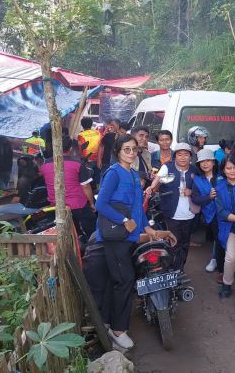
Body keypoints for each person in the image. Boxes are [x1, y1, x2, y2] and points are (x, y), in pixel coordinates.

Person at [95, 134, 177, 349]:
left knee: (119, 280)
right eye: (126, 149)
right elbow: (101, 204)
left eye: (134, 149)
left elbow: (137, 210)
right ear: (117, 152)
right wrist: (123, 220)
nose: (131, 153)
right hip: (115, 237)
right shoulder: (113, 173)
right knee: (125, 280)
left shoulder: (133, 174)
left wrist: (149, 229)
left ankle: (107, 321)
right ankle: (118, 330)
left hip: (128, 236)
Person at [147, 143, 198, 272]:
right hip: (171, 212)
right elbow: (157, 181)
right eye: (179, 154)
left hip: (189, 213)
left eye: (186, 155)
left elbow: (201, 188)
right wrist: (151, 188)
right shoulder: (167, 167)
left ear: (190, 157)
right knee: (174, 242)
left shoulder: (194, 170)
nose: (182, 157)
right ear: (175, 156)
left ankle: (180, 268)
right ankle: (172, 268)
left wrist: (191, 192)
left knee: (185, 243)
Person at [41, 136, 96, 237]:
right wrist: (92, 203)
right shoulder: (77, 163)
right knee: (91, 227)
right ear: (70, 149)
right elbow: (86, 187)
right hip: (77, 205)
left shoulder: (44, 165)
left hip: (56, 205)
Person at [215, 154, 235, 298]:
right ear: (223, 170)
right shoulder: (219, 187)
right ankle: (226, 283)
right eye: (228, 168)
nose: (232, 171)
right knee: (231, 257)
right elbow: (221, 211)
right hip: (229, 225)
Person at [191, 149, 221, 273]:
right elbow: (196, 199)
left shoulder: (222, 176)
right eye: (202, 161)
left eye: (208, 160)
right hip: (211, 215)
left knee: (227, 238)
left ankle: (227, 261)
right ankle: (216, 261)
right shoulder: (197, 180)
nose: (205, 164)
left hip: (226, 213)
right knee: (218, 238)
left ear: (213, 162)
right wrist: (208, 197)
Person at [77, 117, 102, 183]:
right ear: (91, 124)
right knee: (97, 177)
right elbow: (101, 146)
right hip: (97, 159)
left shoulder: (81, 135)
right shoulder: (98, 133)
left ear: (82, 125)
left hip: (87, 160)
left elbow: (80, 149)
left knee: (88, 179)